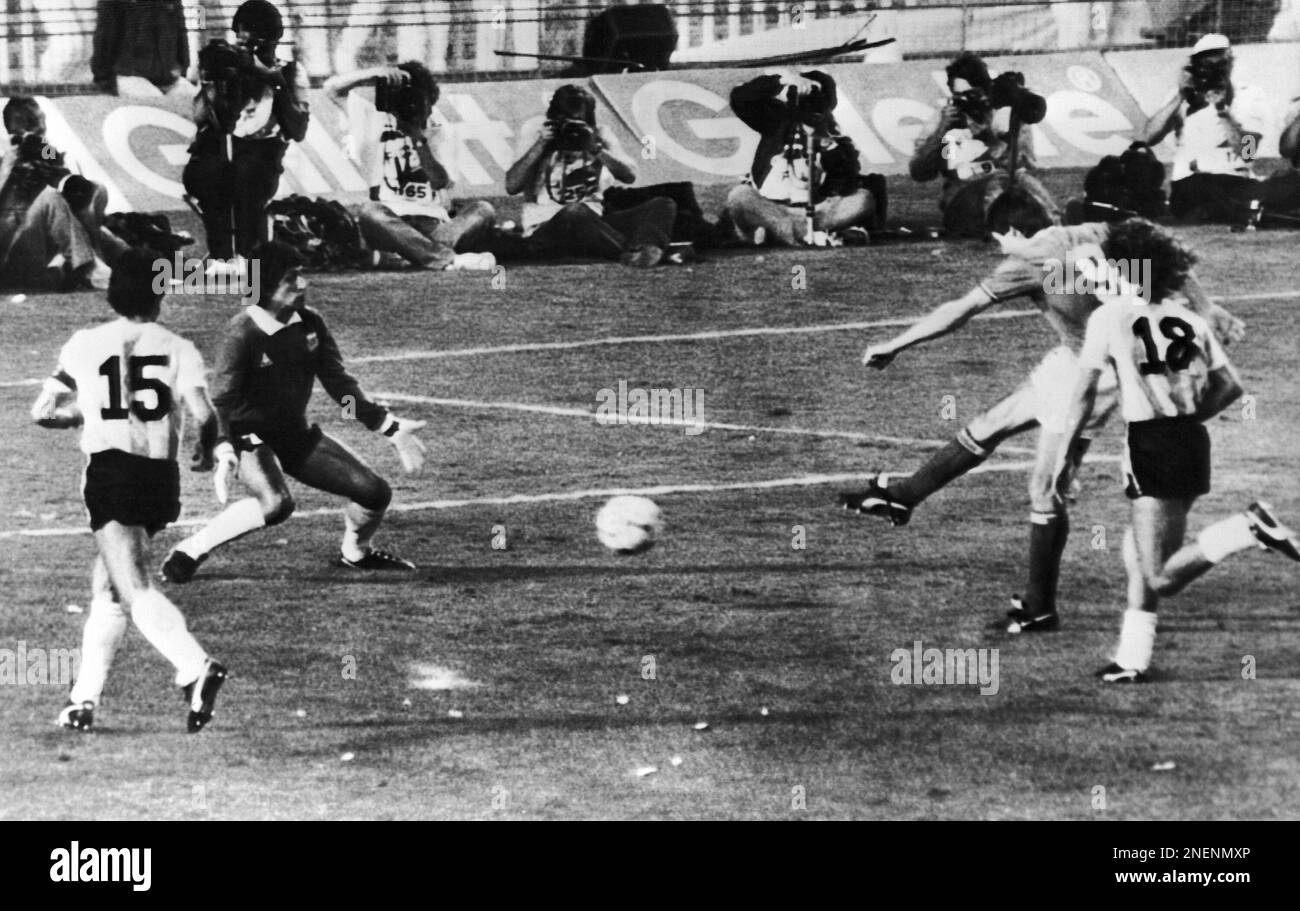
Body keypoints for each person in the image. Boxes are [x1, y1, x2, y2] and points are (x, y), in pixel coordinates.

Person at [837, 208, 1245, 634]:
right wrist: (1208, 307)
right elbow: (1165, 257)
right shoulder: (1100, 234)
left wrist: (896, 344)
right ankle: (904, 496)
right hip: (1088, 354)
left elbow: (960, 309)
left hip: (1100, 366)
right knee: (994, 421)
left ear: (1010, 234)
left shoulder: (1030, 262)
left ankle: (1040, 604)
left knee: (1045, 486)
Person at [1050, 219, 1300, 682]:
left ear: (1126, 269)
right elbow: (1231, 386)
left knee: (1160, 574)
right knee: (1138, 555)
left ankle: (1248, 528)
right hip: (1190, 442)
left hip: (1151, 447)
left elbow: (1083, 393)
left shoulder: (1110, 316)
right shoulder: (1189, 319)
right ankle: (1132, 658)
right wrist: (1185, 419)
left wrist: (1067, 457)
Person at [30, 247, 230, 733]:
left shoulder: (83, 343)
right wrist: (206, 452)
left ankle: (194, 666)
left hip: (111, 473)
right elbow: (204, 415)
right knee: (109, 587)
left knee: (133, 586)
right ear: (159, 293)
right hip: (160, 478)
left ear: (113, 292)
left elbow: (43, 411)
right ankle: (83, 700)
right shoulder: (179, 346)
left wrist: (86, 412)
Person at [160, 242, 427, 584]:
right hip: (247, 435)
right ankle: (191, 550)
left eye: (301, 275)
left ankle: (356, 554)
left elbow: (338, 382)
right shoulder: (241, 334)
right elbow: (222, 401)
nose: (303, 284)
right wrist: (223, 447)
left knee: (374, 492)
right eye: (292, 278)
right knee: (276, 504)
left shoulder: (310, 322)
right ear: (268, 285)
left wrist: (388, 426)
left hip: (293, 433)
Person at [324, 60, 496, 271]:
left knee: (483, 210)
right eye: (405, 100)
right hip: (389, 221)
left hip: (434, 224)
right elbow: (332, 88)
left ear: (431, 101)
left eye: (417, 100)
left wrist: (419, 140)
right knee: (370, 212)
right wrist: (376, 73)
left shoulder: (441, 131)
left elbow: (440, 182)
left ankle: (409, 252)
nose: (411, 106)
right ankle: (447, 259)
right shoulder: (373, 117)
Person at [183, 0, 309, 274]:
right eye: (239, 31)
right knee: (207, 171)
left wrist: (269, 78)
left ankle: (243, 253)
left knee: (245, 172)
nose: (243, 40)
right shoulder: (227, 66)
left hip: (262, 155)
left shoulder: (290, 72)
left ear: (271, 39)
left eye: (251, 33)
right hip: (222, 149)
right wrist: (210, 81)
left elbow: (298, 130)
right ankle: (220, 256)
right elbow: (201, 116)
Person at [504, 84, 676, 267]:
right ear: (553, 118)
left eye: (577, 123)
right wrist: (540, 145)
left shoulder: (599, 134)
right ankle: (631, 251)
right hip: (546, 226)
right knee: (574, 212)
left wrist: (597, 149)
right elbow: (512, 185)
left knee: (663, 205)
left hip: (594, 222)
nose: (571, 129)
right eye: (565, 122)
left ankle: (644, 248)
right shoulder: (536, 132)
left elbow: (630, 176)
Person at [1139, 34, 1300, 225]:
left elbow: (1247, 154)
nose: (1215, 71)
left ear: (1231, 63)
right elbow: (1145, 138)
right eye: (1207, 65)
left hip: (1238, 182)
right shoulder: (1182, 99)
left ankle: (1243, 210)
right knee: (1202, 188)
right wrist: (1180, 96)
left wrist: (1222, 112)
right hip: (1194, 181)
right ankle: (1252, 212)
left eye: (1220, 64)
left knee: (1287, 185)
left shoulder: (1251, 96)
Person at [723, 70, 885, 245]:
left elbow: (844, 188)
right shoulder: (776, 122)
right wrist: (782, 80)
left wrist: (828, 147)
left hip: (815, 212)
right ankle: (809, 234)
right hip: (770, 206)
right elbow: (740, 99)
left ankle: (778, 233)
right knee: (739, 196)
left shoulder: (838, 143)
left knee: (863, 199)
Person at [910, 52, 1059, 237]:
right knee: (996, 182)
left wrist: (1012, 128)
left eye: (972, 94)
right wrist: (942, 131)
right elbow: (918, 171)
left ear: (985, 90)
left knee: (1024, 181)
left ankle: (1055, 225)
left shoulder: (1003, 113)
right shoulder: (948, 118)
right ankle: (1001, 229)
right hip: (962, 195)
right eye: (960, 96)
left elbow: (1027, 165)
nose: (967, 101)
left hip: (1007, 187)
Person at [0, 98, 122, 290]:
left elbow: (69, 181)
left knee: (91, 195)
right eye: (35, 128)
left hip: (35, 241)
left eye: (42, 128)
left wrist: (45, 153)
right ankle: (91, 271)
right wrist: (6, 168)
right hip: (8, 252)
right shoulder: (5, 157)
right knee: (51, 198)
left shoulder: (43, 151)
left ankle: (142, 267)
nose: (41, 131)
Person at [91, 0, 195, 99]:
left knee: (198, 101)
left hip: (168, 77)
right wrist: (104, 80)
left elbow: (181, 36)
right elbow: (104, 39)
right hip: (131, 76)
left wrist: (181, 69)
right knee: (156, 104)